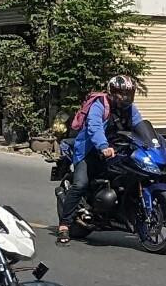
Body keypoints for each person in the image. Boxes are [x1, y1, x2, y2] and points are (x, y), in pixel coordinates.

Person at [57, 74, 142, 243]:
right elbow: (94, 128)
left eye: (129, 93)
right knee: (80, 184)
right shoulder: (100, 105)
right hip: (90, 151)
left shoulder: (130, 109)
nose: (126, 97)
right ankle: (64, 224)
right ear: (113, 92)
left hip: (117, 151)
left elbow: (140, 125)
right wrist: (103, 146)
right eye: (122, 93)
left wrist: (153, 141)